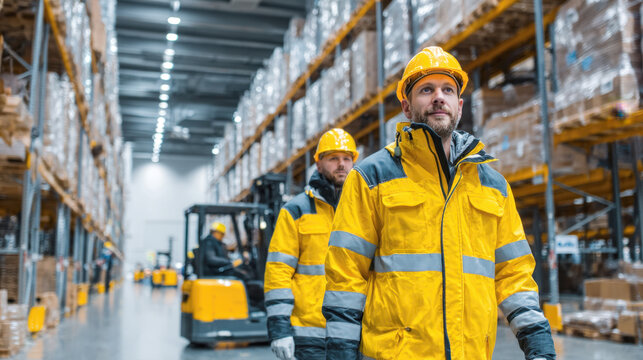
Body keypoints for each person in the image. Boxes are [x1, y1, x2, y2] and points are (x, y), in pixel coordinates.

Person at [322, 47, 556, 360]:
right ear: (406, 106)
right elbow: (346, 275)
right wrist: (340, 353)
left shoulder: (493, 185)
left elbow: (513, 273)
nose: (438, 97)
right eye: (426, 90)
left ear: (459, 106)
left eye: (447, 89)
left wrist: (538, 343)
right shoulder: (371, 177)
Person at [264, 129, 359, 360]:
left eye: (347, 158)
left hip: (354, 331)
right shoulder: (296, 211)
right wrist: (279, 330)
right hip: (309, 334)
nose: (341, 164)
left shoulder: (361, 209)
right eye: (333, 158)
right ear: (318, 164)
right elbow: (278, 272)